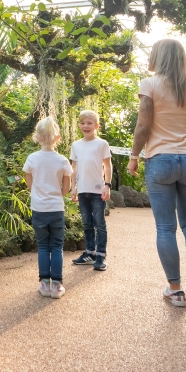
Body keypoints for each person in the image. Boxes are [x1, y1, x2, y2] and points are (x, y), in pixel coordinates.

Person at [127, 38, 186, 309]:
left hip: (161, 160)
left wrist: (134, 156)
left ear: (160, 57)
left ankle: (176, 291)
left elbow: (143, 124)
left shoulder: (150, 84)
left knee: (166, 227)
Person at [23, 116, 72, 299]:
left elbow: (29, 181)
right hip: (56, 208)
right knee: (57, 246)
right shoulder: (62, 160)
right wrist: (59, 192)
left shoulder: (32, 158)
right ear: (57, 138)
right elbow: (65, 189)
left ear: (37, 137)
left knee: (43, 246)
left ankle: (44, 284)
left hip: (39, 207)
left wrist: (37, 192)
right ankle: (57, 285)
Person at [70, 109, 112, 271]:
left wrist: (107, 185)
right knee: (87, 223)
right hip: (82, 190)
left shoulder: (102, 144)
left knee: (99, 223)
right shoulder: (76, 145)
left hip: (97, 190)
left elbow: (107, 166)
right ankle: (89, 253)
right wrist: (73, 187)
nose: (85, 126)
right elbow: (74, 168)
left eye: (89, 123)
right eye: (82, 123)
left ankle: (101, 255)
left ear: (96, 126)